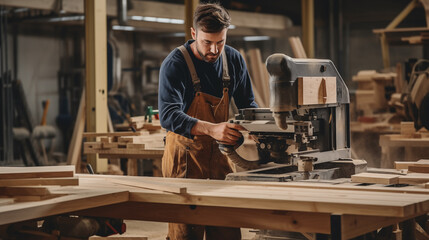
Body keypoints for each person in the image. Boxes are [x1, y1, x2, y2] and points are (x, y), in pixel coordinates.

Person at [158, 2, 257, 240]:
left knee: (226, 232)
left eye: (220, 42)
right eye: (207, 42)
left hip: (222, 162)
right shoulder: (175, 64)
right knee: (186, 233)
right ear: (194, 34)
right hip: (185, 163)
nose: (214, 49)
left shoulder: (233, 60)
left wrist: (260, 127)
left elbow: (248, 105)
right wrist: (212, 129)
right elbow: (168, 115)